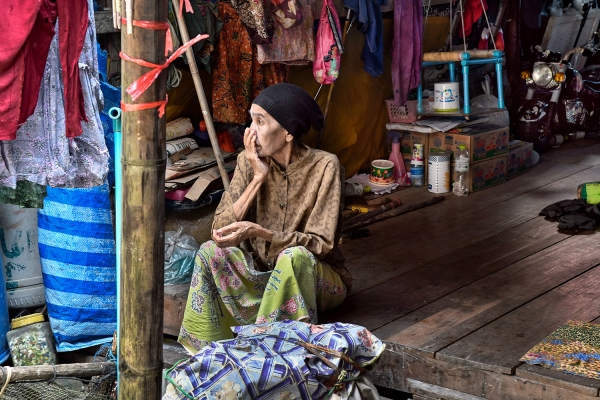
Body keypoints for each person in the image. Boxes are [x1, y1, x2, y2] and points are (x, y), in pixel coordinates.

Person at [178, 83, 352, 354]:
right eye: (251, 120)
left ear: (288, 133)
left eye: (260, 121)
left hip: (316, 279)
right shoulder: (249, 161)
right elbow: (220, 231)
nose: (250, 131)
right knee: (210, 251)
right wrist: (258, 177)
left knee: (294, 258)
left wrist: (264, 234)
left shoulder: (325, 166)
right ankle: (207, 354)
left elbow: (322, 244)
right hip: (262, 275)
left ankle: (272, 352)